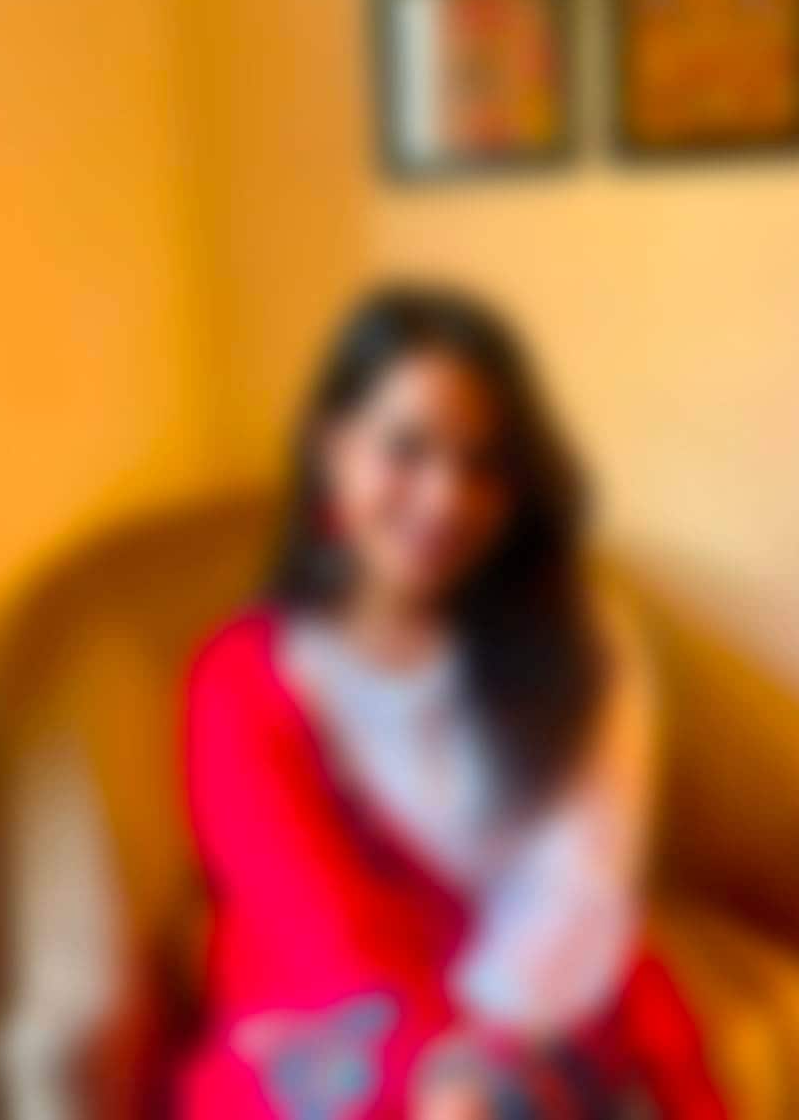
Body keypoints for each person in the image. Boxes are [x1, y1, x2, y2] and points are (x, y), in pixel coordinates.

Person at [179, 287, 726, 1119]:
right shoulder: (242, 677)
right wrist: (436, 1067)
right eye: (406, 449)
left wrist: (483, 1059)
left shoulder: (580, 637)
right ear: (332, 448)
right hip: (331, 1005)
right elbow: (309, 918)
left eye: (482, 465)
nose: (444, 499)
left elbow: (581, 875)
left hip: (541, 979)